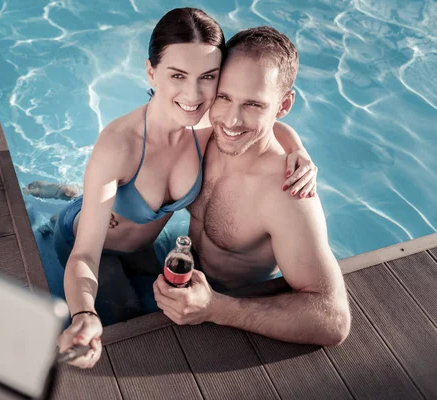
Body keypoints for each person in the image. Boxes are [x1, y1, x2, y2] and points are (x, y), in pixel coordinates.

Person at [56, 9, 319, 369]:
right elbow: (84, 255)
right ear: (151, 71)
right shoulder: (118, 145)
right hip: (92, 242)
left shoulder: (207, 120)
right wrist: (82, 312)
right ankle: (69, 197)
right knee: (128, 315)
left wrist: (298, 150)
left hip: (141, 242)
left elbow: (263, 118)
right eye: (177, 75)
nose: (193, 94)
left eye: (207, 77)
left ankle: (74, 192)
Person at [153, 27, 351, 347]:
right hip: (178, 264)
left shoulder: (287, 195)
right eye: (224, 97)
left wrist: (216, 308)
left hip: (224, 311)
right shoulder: (205, 134)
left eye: (254, 105)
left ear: (283, 106)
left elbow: (332, 320)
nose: (231, 120)